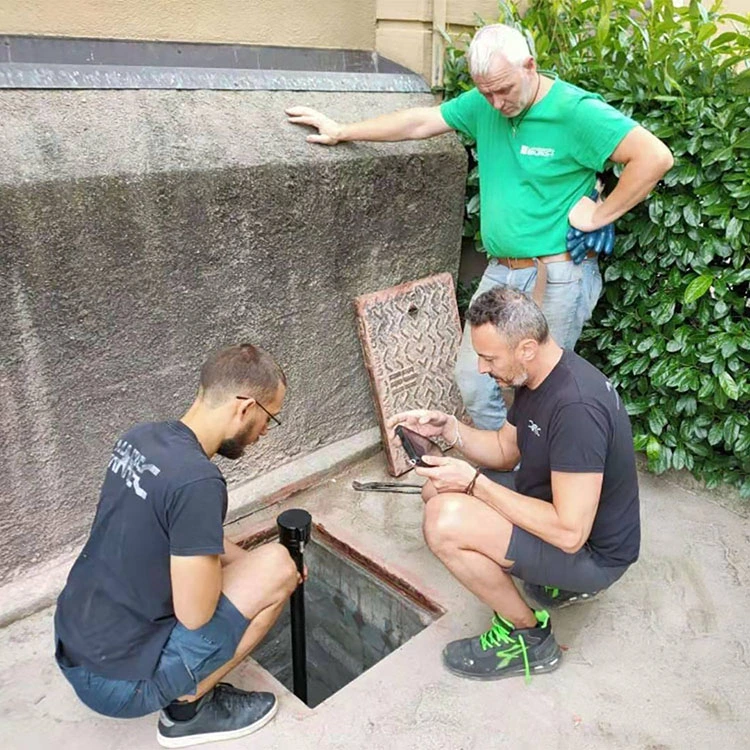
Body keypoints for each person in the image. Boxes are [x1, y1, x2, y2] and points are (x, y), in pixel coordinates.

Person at [287, 23, 673, 430]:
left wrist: (600, 215)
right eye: (485, 91)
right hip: (501, 272)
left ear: (530, 65)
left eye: (503, 89)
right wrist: (343, 130)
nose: (495, 102)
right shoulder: (485, 103)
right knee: (472, 377)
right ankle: (507, 463)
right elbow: (421, 122)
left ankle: (537, 479)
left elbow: (653, 157)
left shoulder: (574, 111)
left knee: (542, 388)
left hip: (557, 275)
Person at [54, 344, 300, 747]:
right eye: (269, 417)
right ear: (244, 408)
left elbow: (182, 529)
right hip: (118, 686)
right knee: (278, 566)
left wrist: (241, 561)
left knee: (258, 563)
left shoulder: (141, 438)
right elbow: (194, 614)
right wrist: (268, 573)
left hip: (76, 643)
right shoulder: (198, 481)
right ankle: (188, 709)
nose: (265, 431)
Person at [389, 285, 640, 681]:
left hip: (592, 554)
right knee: (435, 489)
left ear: (525, 348)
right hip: (557, 515)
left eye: (489, 358)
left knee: (444, 522)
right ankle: (547, 581)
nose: (482, 369)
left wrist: (474, 484)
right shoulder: (541, 376)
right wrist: (450, 428)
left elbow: (570, 532)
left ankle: (528, 635)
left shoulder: (576, 409)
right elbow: (506, 450)